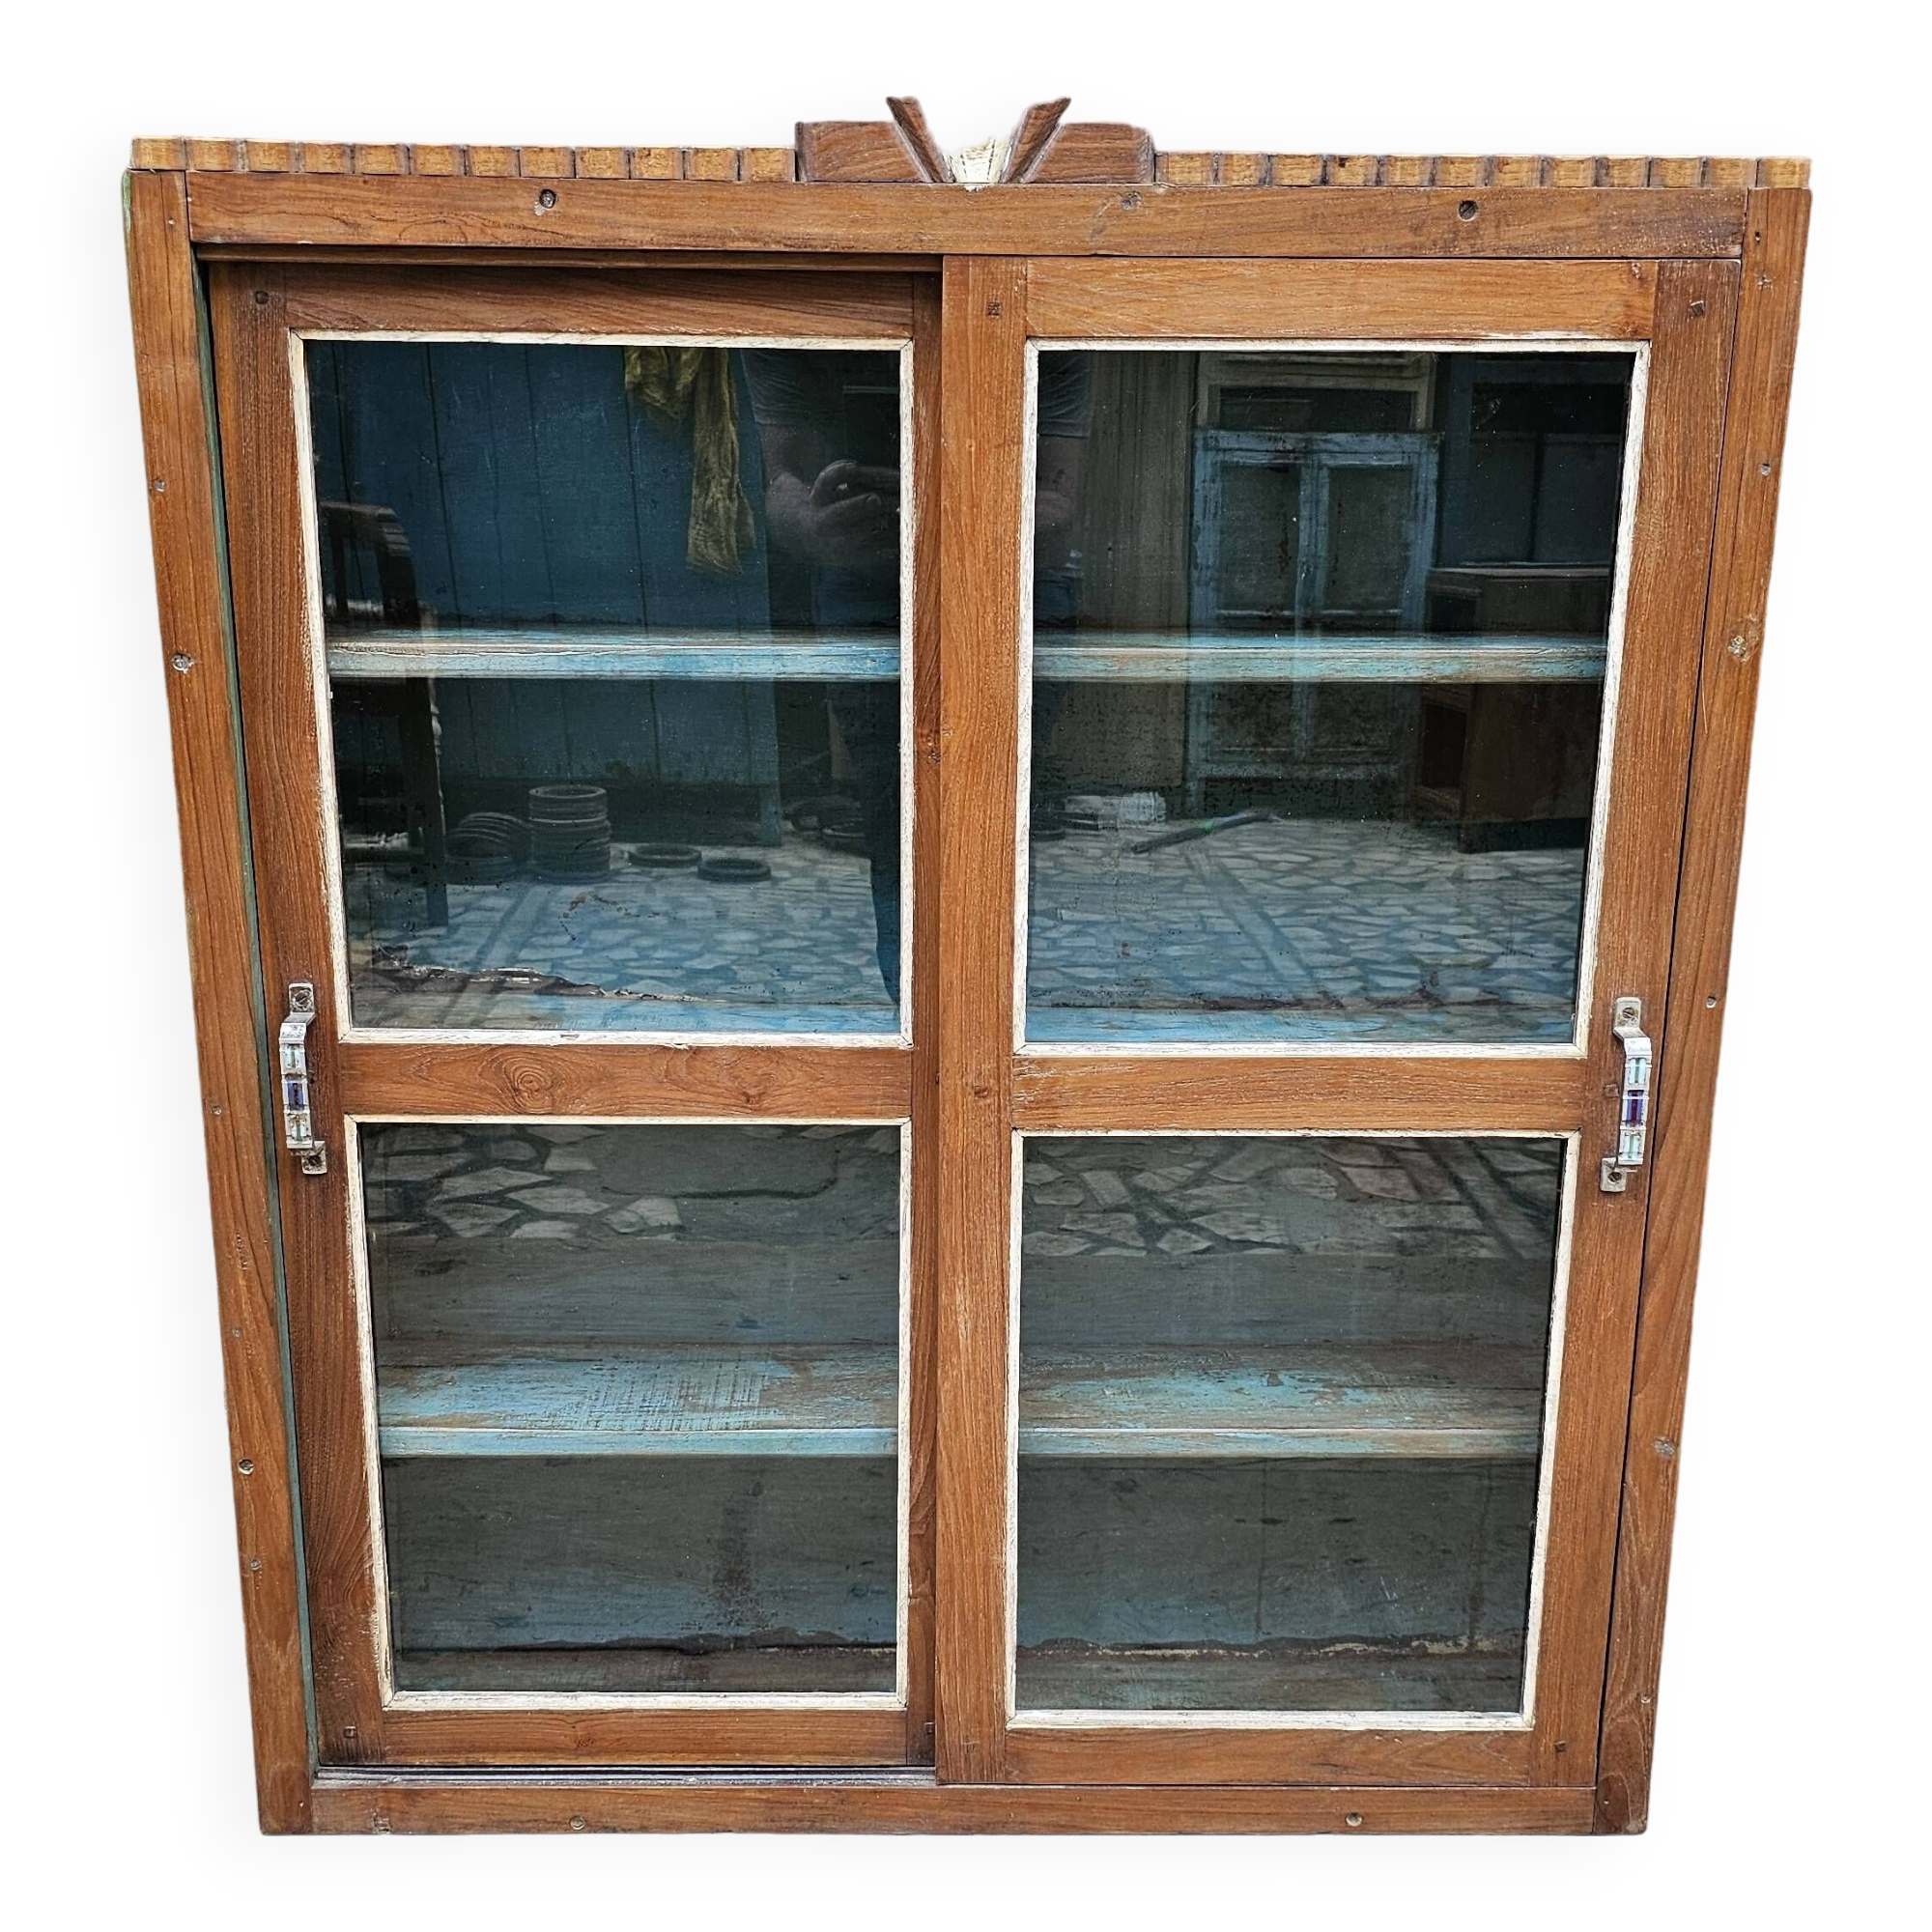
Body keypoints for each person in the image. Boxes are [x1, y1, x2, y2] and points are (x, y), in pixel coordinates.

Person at [745, 350, 1092, 998]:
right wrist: (812, 525)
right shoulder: (795, 319)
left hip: (1009, 589)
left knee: (993, 827)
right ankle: (919, 1016)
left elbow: (1059, 509)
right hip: (864, 582)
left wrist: (949, 509)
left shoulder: (1049, 309)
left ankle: (981, 1023)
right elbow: (780, 483)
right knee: (895, 825)